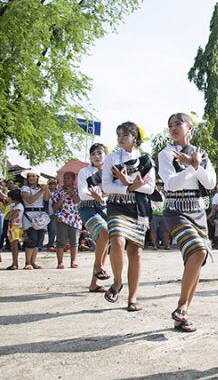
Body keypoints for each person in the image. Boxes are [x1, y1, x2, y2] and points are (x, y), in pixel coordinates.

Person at [158, 112, 217, 333]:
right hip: (175, 210)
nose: (174, 128)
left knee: (196, 259)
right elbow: (171, 184)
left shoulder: (200, 154)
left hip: (198, 210)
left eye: (178, 123)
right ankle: (182, 305)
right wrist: (192, 168)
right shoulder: (166, 154)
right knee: (199, 250)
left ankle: (182, 314)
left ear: (189, 127)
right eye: (170, 124)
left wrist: (195, 163)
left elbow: (210, 182)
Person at [102, 121, 156, 311]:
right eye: (118, 135)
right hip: (117, 205)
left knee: (135, 253)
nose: (120, 138)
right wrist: (128, 187)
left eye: (125, 135)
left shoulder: (145, 159)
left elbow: (150, 187)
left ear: (135, 137)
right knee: (116, 241)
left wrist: (130, 183)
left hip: (138, 209)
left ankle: (132, 298)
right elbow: (106, 186)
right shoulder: (111, 158)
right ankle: (117, 282)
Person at [78, 143, 111, 292]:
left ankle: (94, 282)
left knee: (104, 241)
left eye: (99, 153)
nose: (96, 156)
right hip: (87, 208)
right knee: (104, 233)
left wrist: (102, 196)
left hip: (104, 207)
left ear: (105, 155)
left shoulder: (110, 172)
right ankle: (98, 266)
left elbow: (112, 190)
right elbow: (82, 193)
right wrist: (96, 195)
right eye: (93, 154)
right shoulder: (84, 171)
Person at [51, 171, 82, 269]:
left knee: (74, 241)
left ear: (73, 180)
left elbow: (80, 203)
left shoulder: (78, 191)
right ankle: (60, 262)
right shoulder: (58, 192)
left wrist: (72, 194)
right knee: (61, 241)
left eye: (68, 178)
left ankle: (73, 261)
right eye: (64, 178)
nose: (65, 180)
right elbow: (54, 208)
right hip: (62, 218)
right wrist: (62, 198)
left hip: (75, 219)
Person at [21, 170, 51, 270]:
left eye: (34, 176)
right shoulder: (25, 188)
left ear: (38, 178)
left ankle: (33, 262)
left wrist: (46, 188)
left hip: (41, 215)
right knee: (31, 239)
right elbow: (29, 200)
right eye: (30, 176)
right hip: (29, 215)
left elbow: (46, 199)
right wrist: (41, 191)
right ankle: (27, 262)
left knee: (39, 239)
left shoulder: (40, 188)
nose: (31, 178)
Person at [5, 189, 25, 269]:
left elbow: (11, 216)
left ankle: (15, 263)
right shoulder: (13, 206)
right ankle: (14, 262)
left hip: (16, 227)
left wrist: (10, 214)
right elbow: (7, 217)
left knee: (15, 246)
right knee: (12, 246)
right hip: (12, 227)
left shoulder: (19, 206)